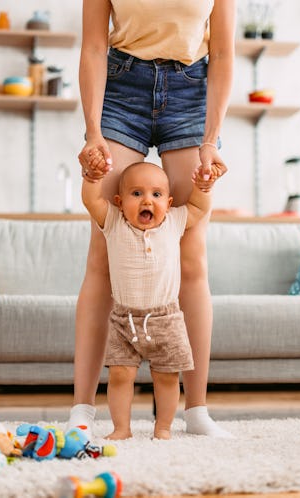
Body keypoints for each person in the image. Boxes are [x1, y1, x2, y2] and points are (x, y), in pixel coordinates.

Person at [68, 0, 235, 438]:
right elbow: (92, 48)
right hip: (122, 87)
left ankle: (196, 411)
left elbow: (222, 53)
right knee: (103, 255)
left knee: (192, 257)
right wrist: (92, 133)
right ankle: (82, 410)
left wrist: (211, 141)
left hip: (191, 89)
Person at [81, 161, 219, 439]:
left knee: (167, 378)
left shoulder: (173, 221)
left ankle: (164, 427)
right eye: (137, 194)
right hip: (124, 321)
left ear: (168, 203)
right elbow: (92, 200)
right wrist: (92, 178)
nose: (147, 200)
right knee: (120, 376)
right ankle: (121, 428)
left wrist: (203, 188)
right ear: (120, 202)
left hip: (167, 319)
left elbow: (198, 208)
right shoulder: (113, 222)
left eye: (156, 195)